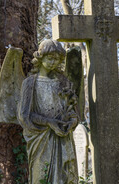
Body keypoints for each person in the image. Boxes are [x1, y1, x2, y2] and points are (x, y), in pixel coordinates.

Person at [18, 39, 79, 184]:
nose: (53, 62)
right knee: (41, 176)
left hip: (62, 138)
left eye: (57, 59)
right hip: (41, 139)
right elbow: (24, 116)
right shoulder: (30, 83)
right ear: (40, 57)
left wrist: (71, 122)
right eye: (50, 58)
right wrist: (49, 122)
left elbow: (74, 112)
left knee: (64, 178)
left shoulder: (64, 82)